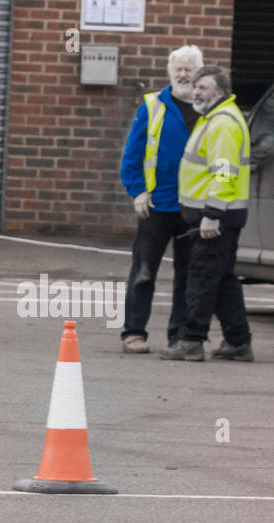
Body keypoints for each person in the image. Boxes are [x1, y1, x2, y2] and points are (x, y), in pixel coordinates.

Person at [160, 66, 254, 362]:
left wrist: (212, 214)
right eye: (196, 87)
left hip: (214, 218)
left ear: (221, 92)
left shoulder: (222, 123)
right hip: (215, 215)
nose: (197, 92)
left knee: (200, 277)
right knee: (222, 279)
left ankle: (191, 340)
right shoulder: (214, 118)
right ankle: (238, 341)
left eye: (204, 88)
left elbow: (224, 173)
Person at [118, 46, 203, 353]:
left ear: (199, 73)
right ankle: (133, 332)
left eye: (189, 69)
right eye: (178, 69)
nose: (183, 74)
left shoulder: (209, 108)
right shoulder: (153, 106)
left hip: (194, 207)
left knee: (187, 275)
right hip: (156, 205)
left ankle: (178, 336)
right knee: (143, 272)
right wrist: (137, 191)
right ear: (170, 72)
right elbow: (132, 154)